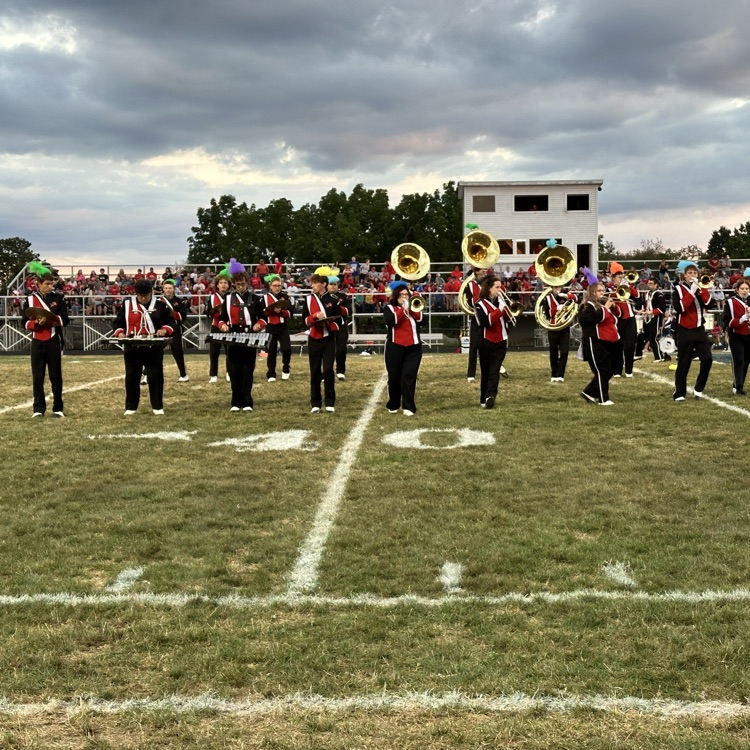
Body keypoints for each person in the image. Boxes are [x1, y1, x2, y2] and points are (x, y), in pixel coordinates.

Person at [112, 279, 174, 415]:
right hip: (133, 346)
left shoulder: (160, 305)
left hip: (153, 347)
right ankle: (131, 407)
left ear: (151, 293)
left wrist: (164, 329)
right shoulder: (128, 304)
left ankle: (157, 406)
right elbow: (117, 322)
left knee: (155, 376)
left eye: (146, 295)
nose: (143, 298)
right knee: (132, 376)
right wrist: (120, 332)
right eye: (140, 295)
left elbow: (170, 322)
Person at [22, 261, 70, 418]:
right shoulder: (29, 300)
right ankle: (38, 409)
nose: (50, 287)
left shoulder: (58, 298)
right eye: (47, 284)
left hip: (53, 340)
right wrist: (35, 323)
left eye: (52, 284)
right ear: (39, 284)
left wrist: (50, 321)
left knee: (56, 376)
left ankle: (58, 408)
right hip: (37, 341)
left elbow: (65, 320)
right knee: (38, 376)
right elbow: (24, 322)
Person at [218, 260, 265, 412]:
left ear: (247, 283)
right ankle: (235, 401)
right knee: (234, 370)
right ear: (234, 284)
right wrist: (223, 325)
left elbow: (263, 317)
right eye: (238, 284)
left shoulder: (255, 299)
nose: (241, 287)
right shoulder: (227, 299)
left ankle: (247, 401)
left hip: (250, 335)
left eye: (243, 284)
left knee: (247, 370)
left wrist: (259, 325)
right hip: (233, 336)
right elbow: (220, 319)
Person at [671, 260, 713, 401]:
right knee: (684, 362)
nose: (693, 275)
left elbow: (709, 304)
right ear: (684, 276)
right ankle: (679, 393)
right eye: (690, 273)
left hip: (699, 329)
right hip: (684, 330)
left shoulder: (701, 288)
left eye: (695, 273)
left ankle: (699, 388)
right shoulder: (677, 289)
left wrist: (703, 290)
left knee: (707, 359)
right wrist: (692, 291)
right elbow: (680, 308)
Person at [301, 267, 340, 413]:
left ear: (323, 284)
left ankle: (330, 401)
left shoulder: (334, 300)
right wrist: (314, 317)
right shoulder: (308, 299)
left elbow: (340, 321)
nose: (312, 286)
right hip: (314, 339)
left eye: (315, 283)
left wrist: (329, 325)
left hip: (329, 339)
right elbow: (304, 319)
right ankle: (315, 402)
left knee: (329, 369)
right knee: (315, 370)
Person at [578, 277, 620, 406]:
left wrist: (613, 307)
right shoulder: (586, 306)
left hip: (606, 341)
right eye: (599, 291)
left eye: (603, 290)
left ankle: (589, 392)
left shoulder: (600, 306)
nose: (602, 293)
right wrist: (606, 309)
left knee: (610, 369)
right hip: (593, 341)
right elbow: (591, 319)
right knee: (602, 369)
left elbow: (617, 317)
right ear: (592, 292)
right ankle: (603, 398)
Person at [382, 281, 423, 415]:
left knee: (409, 376)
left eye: (407, 294)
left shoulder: (413, 307)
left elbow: (422, 320)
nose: (405, 297)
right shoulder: (389, 308)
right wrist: (403, 310)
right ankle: (393, 403)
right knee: (394, 377)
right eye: (401, 295)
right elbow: (391, 321)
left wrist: (410, 308)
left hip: (413, 347)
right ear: (395, 296)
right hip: (395, 347)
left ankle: (408, 406)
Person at [474, 276, 512, 409]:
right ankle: (484, 397)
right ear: (489, 288)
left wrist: (507, 310)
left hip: (501, 341)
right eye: (496, 287)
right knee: (486, 371)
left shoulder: (501, 302)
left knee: (494, 370)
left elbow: (509, 320)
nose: (499, 289)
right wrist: (499, 310)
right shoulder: (479, 304)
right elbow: (485, 322)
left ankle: (491, 396)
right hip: (485, 341)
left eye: (500, 287)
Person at [608, 262, 640, 378]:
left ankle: (629, 371)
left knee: (630, 345)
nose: (621, 279)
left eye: (622, 277)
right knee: (617, 346)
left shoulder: (627, 287)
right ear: (613, 278)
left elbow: (637, 297)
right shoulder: (610, 290)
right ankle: (617, 370)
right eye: (619, 277)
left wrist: (629, 286)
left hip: (630, 319)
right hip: (617, 320)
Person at [540, 285, 577, 382]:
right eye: (555, 287)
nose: (557, 289)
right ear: (552, 288)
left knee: (564, 351)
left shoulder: (565, 296)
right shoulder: (547, 298)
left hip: (565, 328)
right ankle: (554, 373)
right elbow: (547, 314)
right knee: (553, 351)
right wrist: (557, 309)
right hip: (553, 328)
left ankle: (561, 374)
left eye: (559, 287)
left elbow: (576, 299)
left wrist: (566, 296)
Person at [259, 274, 292, 382]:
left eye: (279, 285)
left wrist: (282, 312)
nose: (277, 287)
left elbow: (291, 312)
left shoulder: (286, 297)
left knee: (286, 348)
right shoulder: (264, 298)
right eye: (275, 285)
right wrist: (271, 311)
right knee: (271, 350)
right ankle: (271, 373)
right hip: (270, 327)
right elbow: (261, 313)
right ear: (270, 286)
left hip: (282, 327)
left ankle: (286, 367)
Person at [723, 278, 750, 395]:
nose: (744, 291)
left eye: (747, 288)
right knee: (738, 361)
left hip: (749, 334)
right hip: (736, 335)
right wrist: (740, 320)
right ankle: (737, 386)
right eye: (742, 288)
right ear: (737, 289)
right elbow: (726, 321)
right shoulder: (730, 302)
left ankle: (741, 384)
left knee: (746, 361)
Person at [462, 266, 489, 383]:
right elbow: (467, 301)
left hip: (489, 317)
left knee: (490, 345)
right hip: (475, 317)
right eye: (482, 271)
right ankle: (471, 374)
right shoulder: (470, 285)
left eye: (485, 271)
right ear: (476, 272)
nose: (484, 273)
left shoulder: (490, 283)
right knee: (473, 347)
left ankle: (492, 368)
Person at [161, 278, 190, 382]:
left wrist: (173, 314)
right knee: (155, 351)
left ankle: (183, 374)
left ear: (173, 289)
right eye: (166, 288)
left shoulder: (179, 301)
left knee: (177, 352)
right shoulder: (159, 302)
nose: (168, 290)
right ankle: (147, 374)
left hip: (175, 328)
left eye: (170, 288)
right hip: (162, 329)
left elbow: (183, 316)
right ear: (163, 289)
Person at [635, 277, 670, 362]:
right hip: (648, 317)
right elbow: (646, 304)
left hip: (655, 318)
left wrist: (651, 312)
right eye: (648, 283)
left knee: (653, 337)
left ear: (656, 285)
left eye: (651, 283)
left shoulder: (659, 294)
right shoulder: (648, 293)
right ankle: (638, 354)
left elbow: (662, 309)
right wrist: (642, 311)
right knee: (641, 335)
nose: (649, 285)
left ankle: (659, 357)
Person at [206, 270, 231, 383]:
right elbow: (208, 313)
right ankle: (213, 374)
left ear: (229, 285)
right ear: (217, 285)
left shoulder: (233, 297)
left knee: (229, 351)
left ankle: (229, 373)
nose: (223, 284)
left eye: (225, 282)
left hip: (228, 327)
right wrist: (216, 311)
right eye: (221, 282)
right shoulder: (211, 297)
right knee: (214, 351)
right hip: (216, 326)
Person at [327, 276, 351, 381]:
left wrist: (339, 307)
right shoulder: (323, 297)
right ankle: (327, 372)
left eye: (335, 284)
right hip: (328, 326)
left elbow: (349, 311)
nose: (333, 286)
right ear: (326, 285)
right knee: (328, 350)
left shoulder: (343, 296)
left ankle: (340, 371)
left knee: (341, 349)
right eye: (331, 284)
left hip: (341, 326)